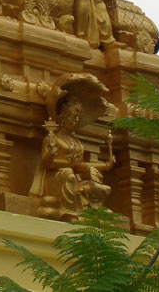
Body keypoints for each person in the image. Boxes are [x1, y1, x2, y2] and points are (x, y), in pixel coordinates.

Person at [31, 74, 114, 221]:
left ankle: (92, 213)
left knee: (98, 186)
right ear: (62, 115)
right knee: (68, 174)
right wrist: (52, 155)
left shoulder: (76, 142)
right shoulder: (53, 139)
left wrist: (106, 165)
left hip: (72, 177)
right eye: (72, 116)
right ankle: (69, 212)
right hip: (57, 178)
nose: (75, 120)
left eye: (77, 116)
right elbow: (46, 163)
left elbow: (79, 166)